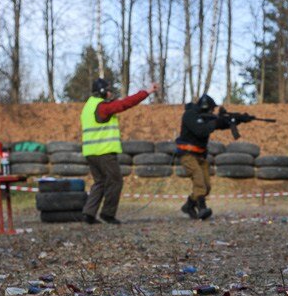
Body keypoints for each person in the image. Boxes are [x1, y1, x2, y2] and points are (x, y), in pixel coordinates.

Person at [81, 78, 158, 224]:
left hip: (90, 152)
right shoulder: (102, 107)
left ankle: (88, 214)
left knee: (100, 182)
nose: (110, 93)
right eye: (108, 90)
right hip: (104, 152)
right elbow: (125, 104)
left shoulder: (88, 106)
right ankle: (107, 214)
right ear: (102, 91)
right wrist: (147, 92)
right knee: (115, 181)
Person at [175, 94, 252, 220]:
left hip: (200, 156)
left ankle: (189, 205)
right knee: (199, 179)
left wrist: (239, 119)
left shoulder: (207, 118)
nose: (213, 111)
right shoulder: (189, 115)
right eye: (211, 109)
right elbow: (200, 130)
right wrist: (215, 122)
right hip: (187, 155)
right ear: (206, 107)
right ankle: (202, 208)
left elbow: (221, 124)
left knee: (206, 187)